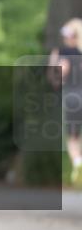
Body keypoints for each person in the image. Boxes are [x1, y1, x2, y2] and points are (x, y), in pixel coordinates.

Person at [49, 18, 82, 184]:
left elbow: (57, 76)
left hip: (72, 98)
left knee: (73, 137)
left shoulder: (62, 52)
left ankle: (78, 165)